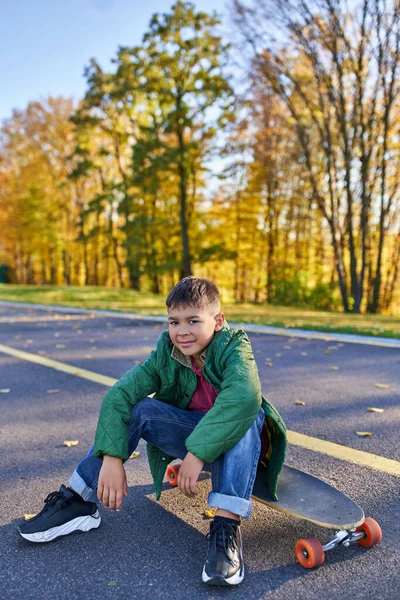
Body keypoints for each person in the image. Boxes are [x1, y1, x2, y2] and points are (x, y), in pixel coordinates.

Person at [19, 277, 286, 587]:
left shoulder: (234, 347)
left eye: (193, 320)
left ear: (218, 321)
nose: (182, 330)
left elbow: (242, 399)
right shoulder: (166, 351)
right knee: (141, 409)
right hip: (190, 439)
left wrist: (197, 454)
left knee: (249, 413)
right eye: (174, 321)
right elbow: (121, 394)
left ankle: (226, 526)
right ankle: (78, 499)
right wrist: (112, 458)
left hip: (241, 449)